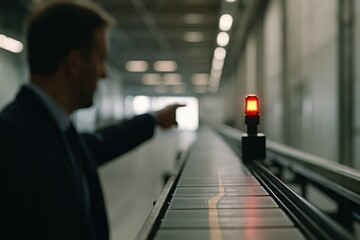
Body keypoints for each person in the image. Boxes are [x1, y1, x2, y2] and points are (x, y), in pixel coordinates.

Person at [0, 1, 184, 239]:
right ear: (74, 63)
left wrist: (155, 119)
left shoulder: (56, 132)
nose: (104, 73)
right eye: (101, 59)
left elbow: (104, 141)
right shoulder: (11, 139)